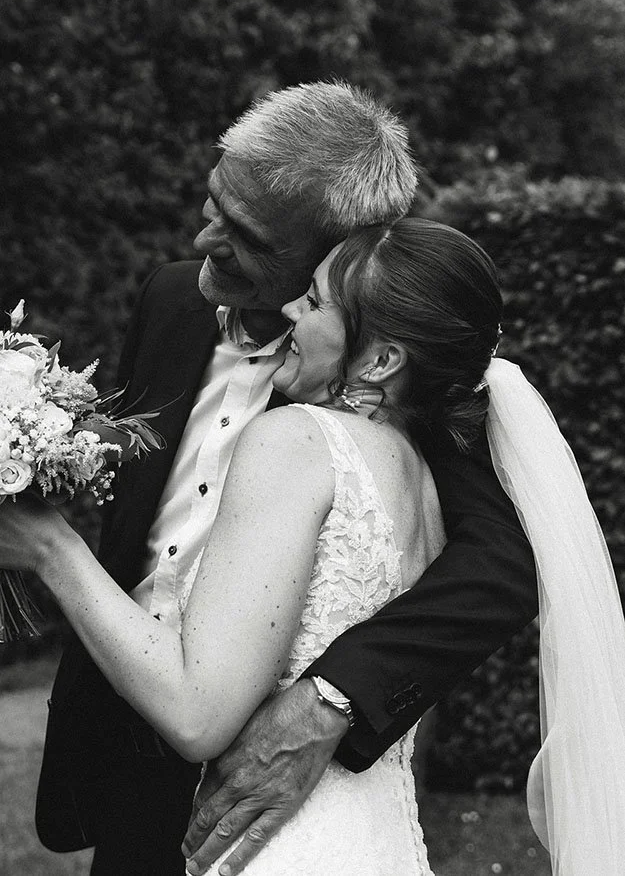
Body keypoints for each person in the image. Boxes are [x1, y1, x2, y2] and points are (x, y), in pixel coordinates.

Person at [3, 220, 624, 876]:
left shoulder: (295, 440)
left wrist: (52, 548)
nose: (290, 311)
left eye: (314, 300)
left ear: (381, 361)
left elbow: (196, 715)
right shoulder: (424, 481)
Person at [31, 82, 537, 876]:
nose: (205, 239)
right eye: (213, 204)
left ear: (339, 250)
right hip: (123, 742)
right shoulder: (168, 298)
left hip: (268, 770)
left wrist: (332, 696)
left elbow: (502, 565)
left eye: (247, 235)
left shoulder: (400, 379)